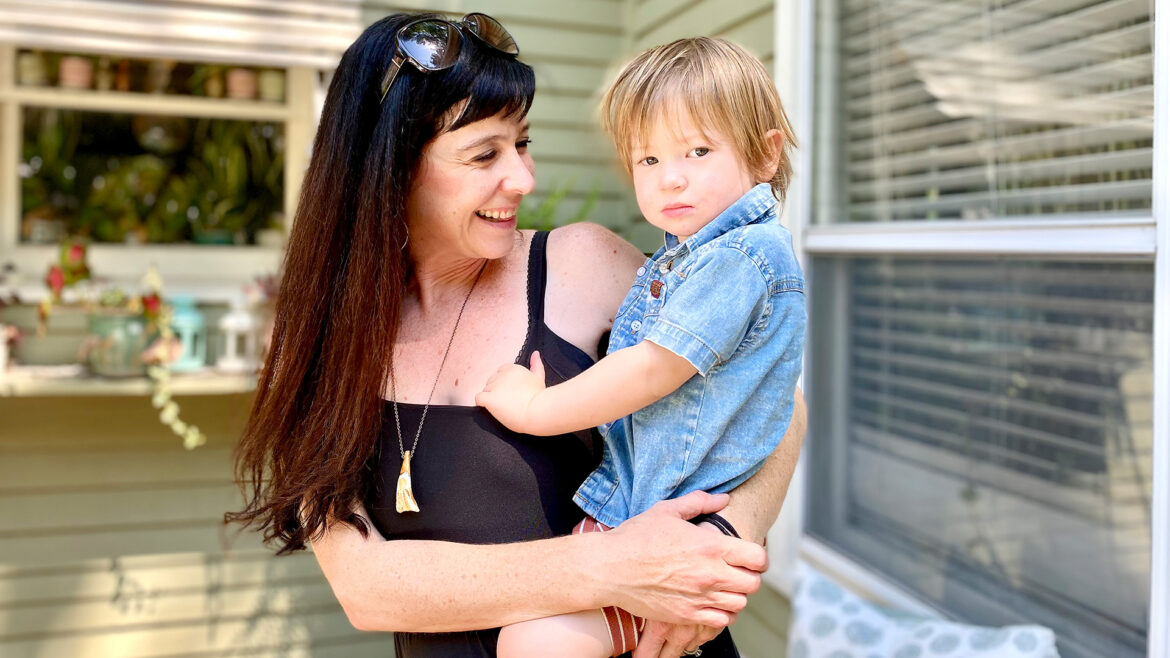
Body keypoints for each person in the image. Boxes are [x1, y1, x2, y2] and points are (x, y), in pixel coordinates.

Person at [225, 13, 806, 658]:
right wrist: (613, 568)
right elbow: (366, 588)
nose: (523, 179)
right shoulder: (311, 342)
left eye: (521, 144)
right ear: (388, 170)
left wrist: (724, 544)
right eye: (484, 155)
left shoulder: (581, 266)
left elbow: (774, 393)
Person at [476, 37, 804, 658]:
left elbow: (654, 367)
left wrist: (534, 411)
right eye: (646, 160)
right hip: (645, 514)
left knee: (533, 644)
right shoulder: (693, 256)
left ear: (764, 157)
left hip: (671, 526)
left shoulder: (740, 258)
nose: (669, 177)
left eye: (698, 150)